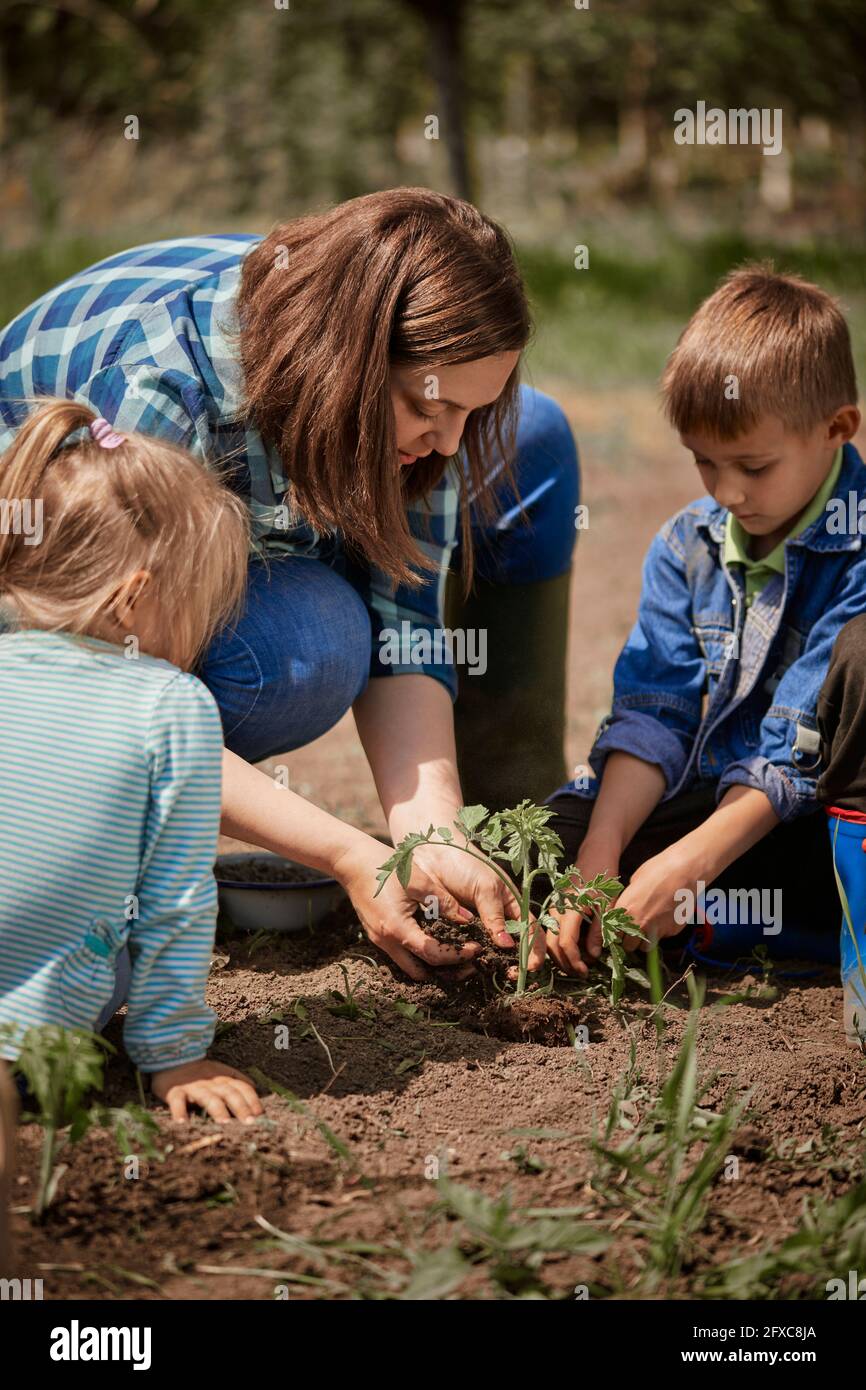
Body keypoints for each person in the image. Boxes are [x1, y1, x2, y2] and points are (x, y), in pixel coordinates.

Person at [0, 189, 580, 980]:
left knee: (528, 440)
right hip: (44, 625)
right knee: (288, 658)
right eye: (426, 404)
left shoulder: (439, 422)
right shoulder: (160, 389)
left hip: (202, 557)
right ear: (346, 361)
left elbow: (402, 625)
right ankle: (83, 827)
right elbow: (112, 689)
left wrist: (431, 840)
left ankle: (516, 793)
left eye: (472, 412)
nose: (450, 440)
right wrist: (347, 852)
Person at [545, 265, 863, 976]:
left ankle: (776, 929)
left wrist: (688, 862)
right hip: (714, 805)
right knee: (551, 846)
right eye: (704, 463)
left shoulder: (860, 544)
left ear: (837, 428)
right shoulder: (686, 544)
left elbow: (794, 753)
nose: (725, 491)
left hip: (815, 820)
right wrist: (600, 855)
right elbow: (655, 715)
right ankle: (724, 928)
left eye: (752, 466)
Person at [0, 398, 263, 1122]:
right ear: (134, 599)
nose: (201, 637)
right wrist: (175, 1056)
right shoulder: (171, 705)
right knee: (113, 945)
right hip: (37, 1050)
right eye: (198, 608)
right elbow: (176, 906)